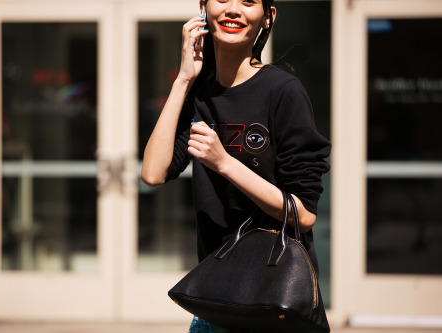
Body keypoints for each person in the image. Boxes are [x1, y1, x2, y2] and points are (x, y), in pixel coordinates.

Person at [141, 0, 331, 332]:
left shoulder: (283, 91)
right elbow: (153, 173)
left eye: (248, 1)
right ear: (203, 7)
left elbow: (303, 213)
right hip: (218, 302)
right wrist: (184, 79)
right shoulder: (197, 94)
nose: (232, 9)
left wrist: (225, 163)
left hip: (274, 304)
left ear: (267, 16)